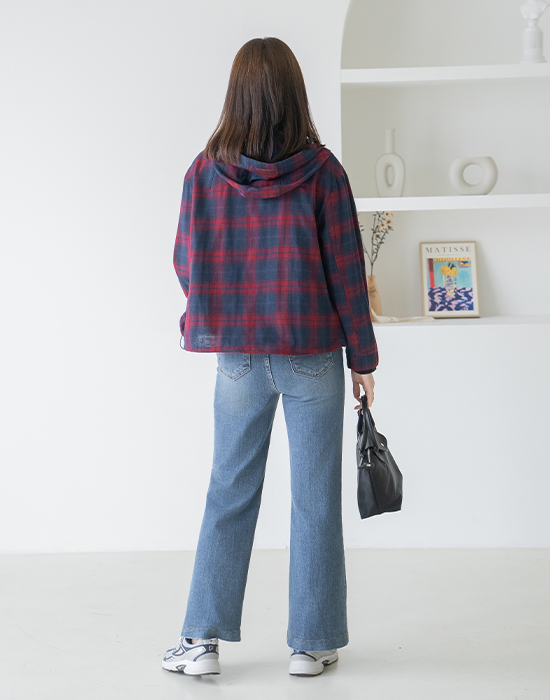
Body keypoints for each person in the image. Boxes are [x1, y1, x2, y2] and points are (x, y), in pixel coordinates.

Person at [162, 36, 378, 678]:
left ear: (237, 95)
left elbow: (185, 262)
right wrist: (364, 359)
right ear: (294, 95)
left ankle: (200, 643)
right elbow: (347, 273)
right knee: (315, 498)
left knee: (228, 490)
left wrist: (217, 311)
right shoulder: (324, 172)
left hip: (237, 357)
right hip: (312, 352)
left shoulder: (204, 172)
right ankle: (312, 645)